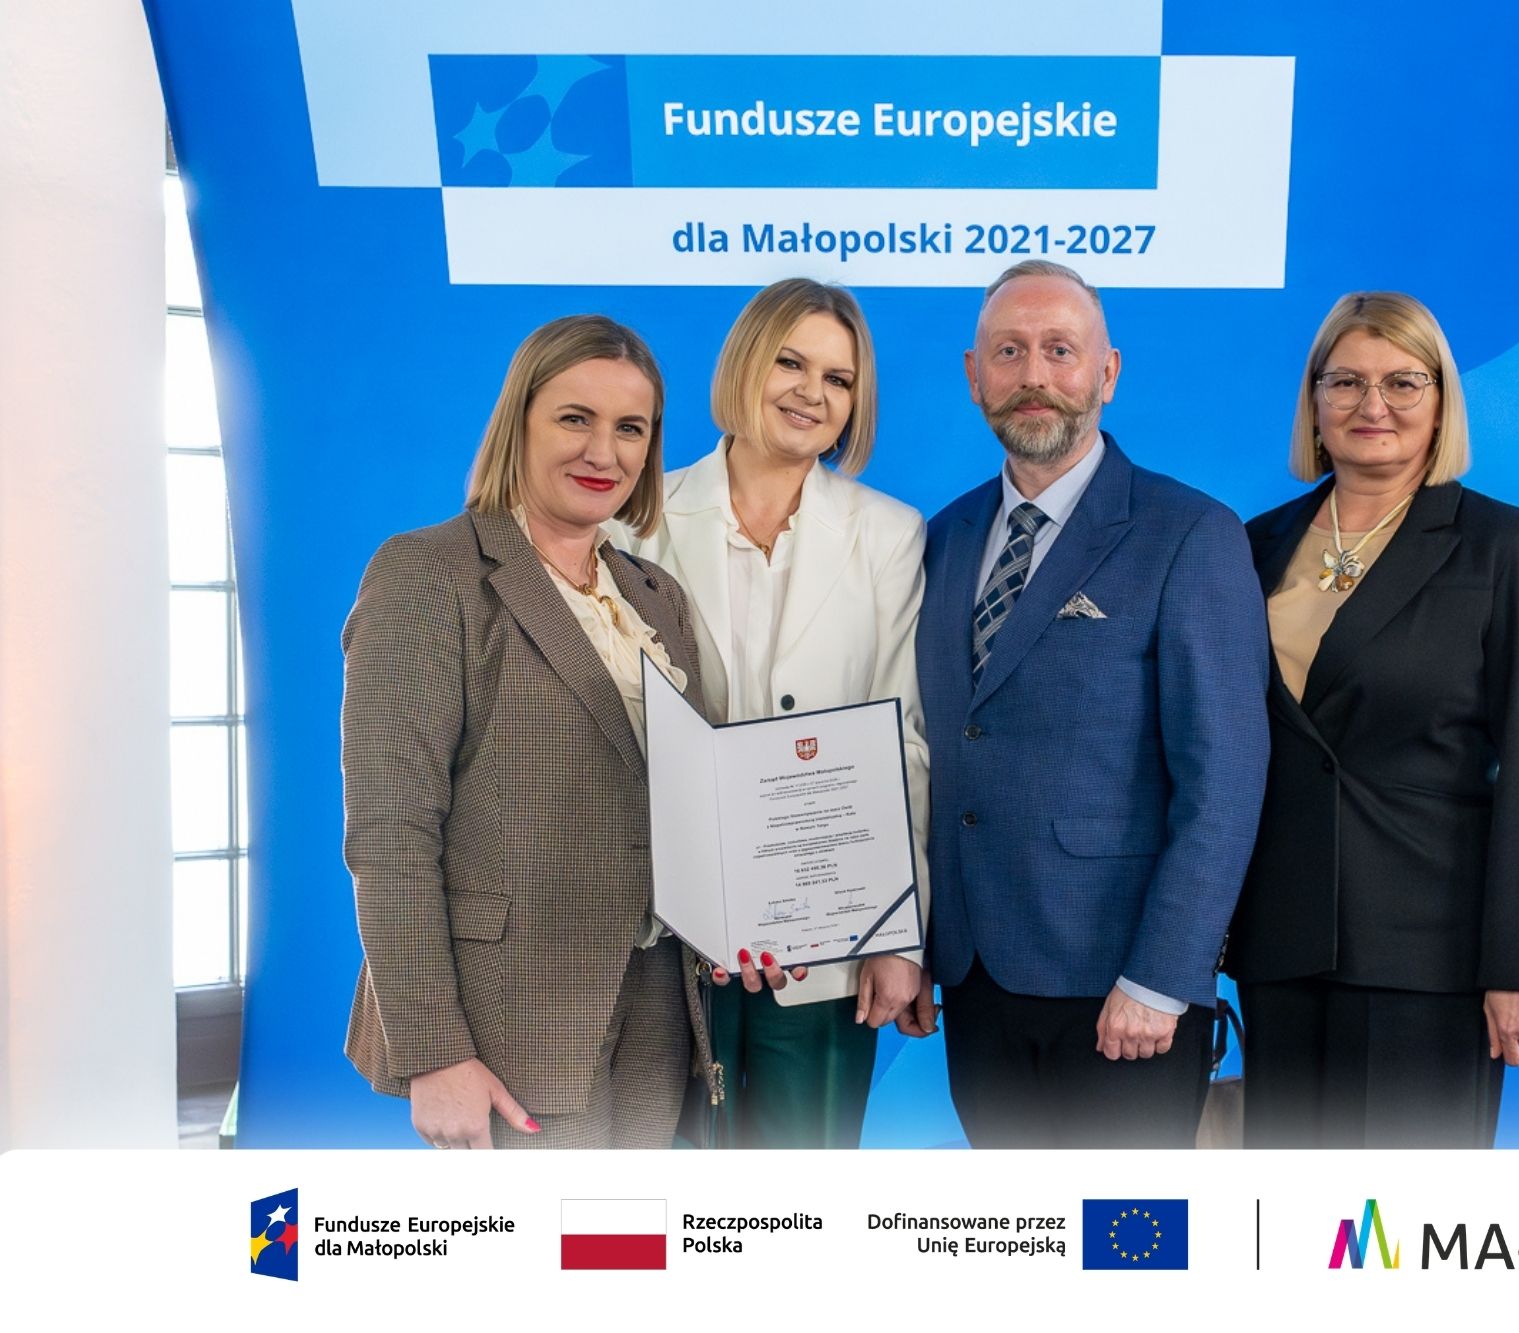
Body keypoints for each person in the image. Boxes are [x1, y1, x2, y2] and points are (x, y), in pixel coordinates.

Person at [343, 313, 752, 1149]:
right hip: (509, 1015)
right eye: (575, 418)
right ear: (518, 422)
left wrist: (757, 914)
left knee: (632, 1229)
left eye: (630, 428)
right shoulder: (429, 574)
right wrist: (433, 1051)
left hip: (658, 1000)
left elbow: (687, 797)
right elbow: (390, 833)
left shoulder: (654, 595)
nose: (604, 451)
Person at [914, 260, 1270, 1148]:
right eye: (1008, 351)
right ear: (973, 375)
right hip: (975, 979)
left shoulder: (1189, 533)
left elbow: (1224, 779)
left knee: (1121, 1233)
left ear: (1106, 373)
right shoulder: (943, 536)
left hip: (1122, 988)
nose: (1033, 374)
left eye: (1059, 350)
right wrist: (912, 944)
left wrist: (1164, 975)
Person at [1226, 291, 1519, 1148]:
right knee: (1288, 1210)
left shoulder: (1504, 546)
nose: (1371, 404)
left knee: (1393, 1219)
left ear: (1441, 400)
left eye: (1402, 382)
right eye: (1345, 380)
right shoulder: (1250, 544)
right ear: (1313, 400)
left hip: (1430, 955)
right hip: (1281, 942)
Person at [613, 279, 932, 1149]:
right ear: (745, 364)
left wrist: (899, 934)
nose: (810, 392)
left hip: (833, 935)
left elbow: (903, 741)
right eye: (790, 362)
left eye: (838, 379)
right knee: (671, 1180)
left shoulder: (890, 534)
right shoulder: (633, 521)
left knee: (806, 1181)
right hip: (669, 930)